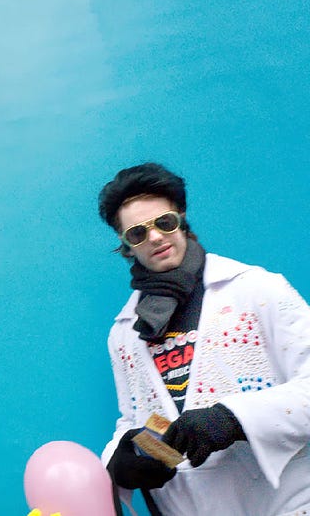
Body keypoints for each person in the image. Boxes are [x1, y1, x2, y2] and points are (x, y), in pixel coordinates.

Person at [97, 163, 310, 515]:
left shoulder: (257, 289)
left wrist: (233, 418)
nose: (155, 237)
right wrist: (119, 456)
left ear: (181, 218)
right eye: (137, 233)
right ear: (126, 246)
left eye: (164, 222)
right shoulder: (124, 332)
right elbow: (134, 418)